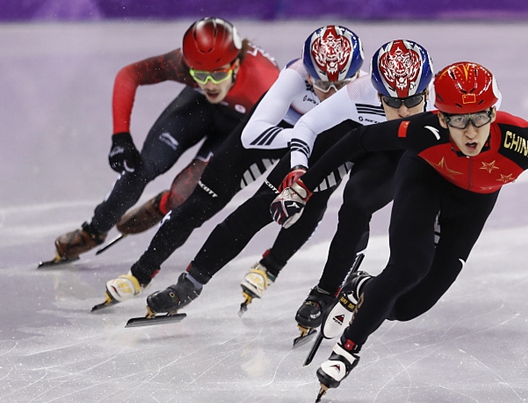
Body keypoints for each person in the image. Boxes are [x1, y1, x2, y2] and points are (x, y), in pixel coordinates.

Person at [269, 61, 528, 399]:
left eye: (480, 118)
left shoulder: (524, 144)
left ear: (493, 114)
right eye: (457, 120)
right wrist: (304, 186)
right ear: (440, 118)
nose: (470, 132)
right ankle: (348, 350)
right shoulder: (423, 130)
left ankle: (362, 285)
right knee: (410, 266)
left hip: (473, 205)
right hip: (426, 179)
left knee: (407, 308)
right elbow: (357, 140)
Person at [143, 40, 435, 336]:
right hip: (353, 135)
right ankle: (190, 283)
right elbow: (306, 126)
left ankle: (325, 293)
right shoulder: (357, 93)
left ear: (427, 92)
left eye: (413, 101)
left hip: (397, 151)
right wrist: (298, 167)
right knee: (267, 202)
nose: (403, 111)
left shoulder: (442, 108)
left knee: (357, 205)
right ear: (376, 90)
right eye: (392, 101)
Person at [96, 25, 365, 305]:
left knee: (298, 199)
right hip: (275, 133)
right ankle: (140, 273)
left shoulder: (367, 91)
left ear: (357, 75)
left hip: (314, 141)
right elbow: (252, 135)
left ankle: (267, 267)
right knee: (203, 199)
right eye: (322, 84)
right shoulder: (294, 77)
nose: (332, 94)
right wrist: (302, 137)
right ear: (308, 73)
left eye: (342, 84)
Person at [47, 18, 281, 265]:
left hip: (241, 126)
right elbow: (129, 75)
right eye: (199, 75)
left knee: (189, 190)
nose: (209, 84)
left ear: (235, 65)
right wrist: (121, 136)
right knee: (142, 167)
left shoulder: (267, 84)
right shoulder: (182, 64)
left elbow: (287, 135)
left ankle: (162, 204)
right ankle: (93, 229)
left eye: (217, 74)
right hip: (198, 108)